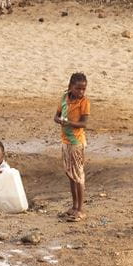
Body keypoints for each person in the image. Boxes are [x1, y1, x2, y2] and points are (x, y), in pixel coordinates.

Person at [55, 72, 90, 222]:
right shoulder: (64, 98)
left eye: (83, 89)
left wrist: (68, 123)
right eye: (78, 89)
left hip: (76, 143)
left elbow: (83, 124)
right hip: (66, 142)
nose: (81, 92)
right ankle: (74, 206)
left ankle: (81, 209)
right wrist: (60, 120)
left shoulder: (84, 103)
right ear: (70, 87)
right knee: (70, 174)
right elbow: (56, 116)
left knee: (78, 176)